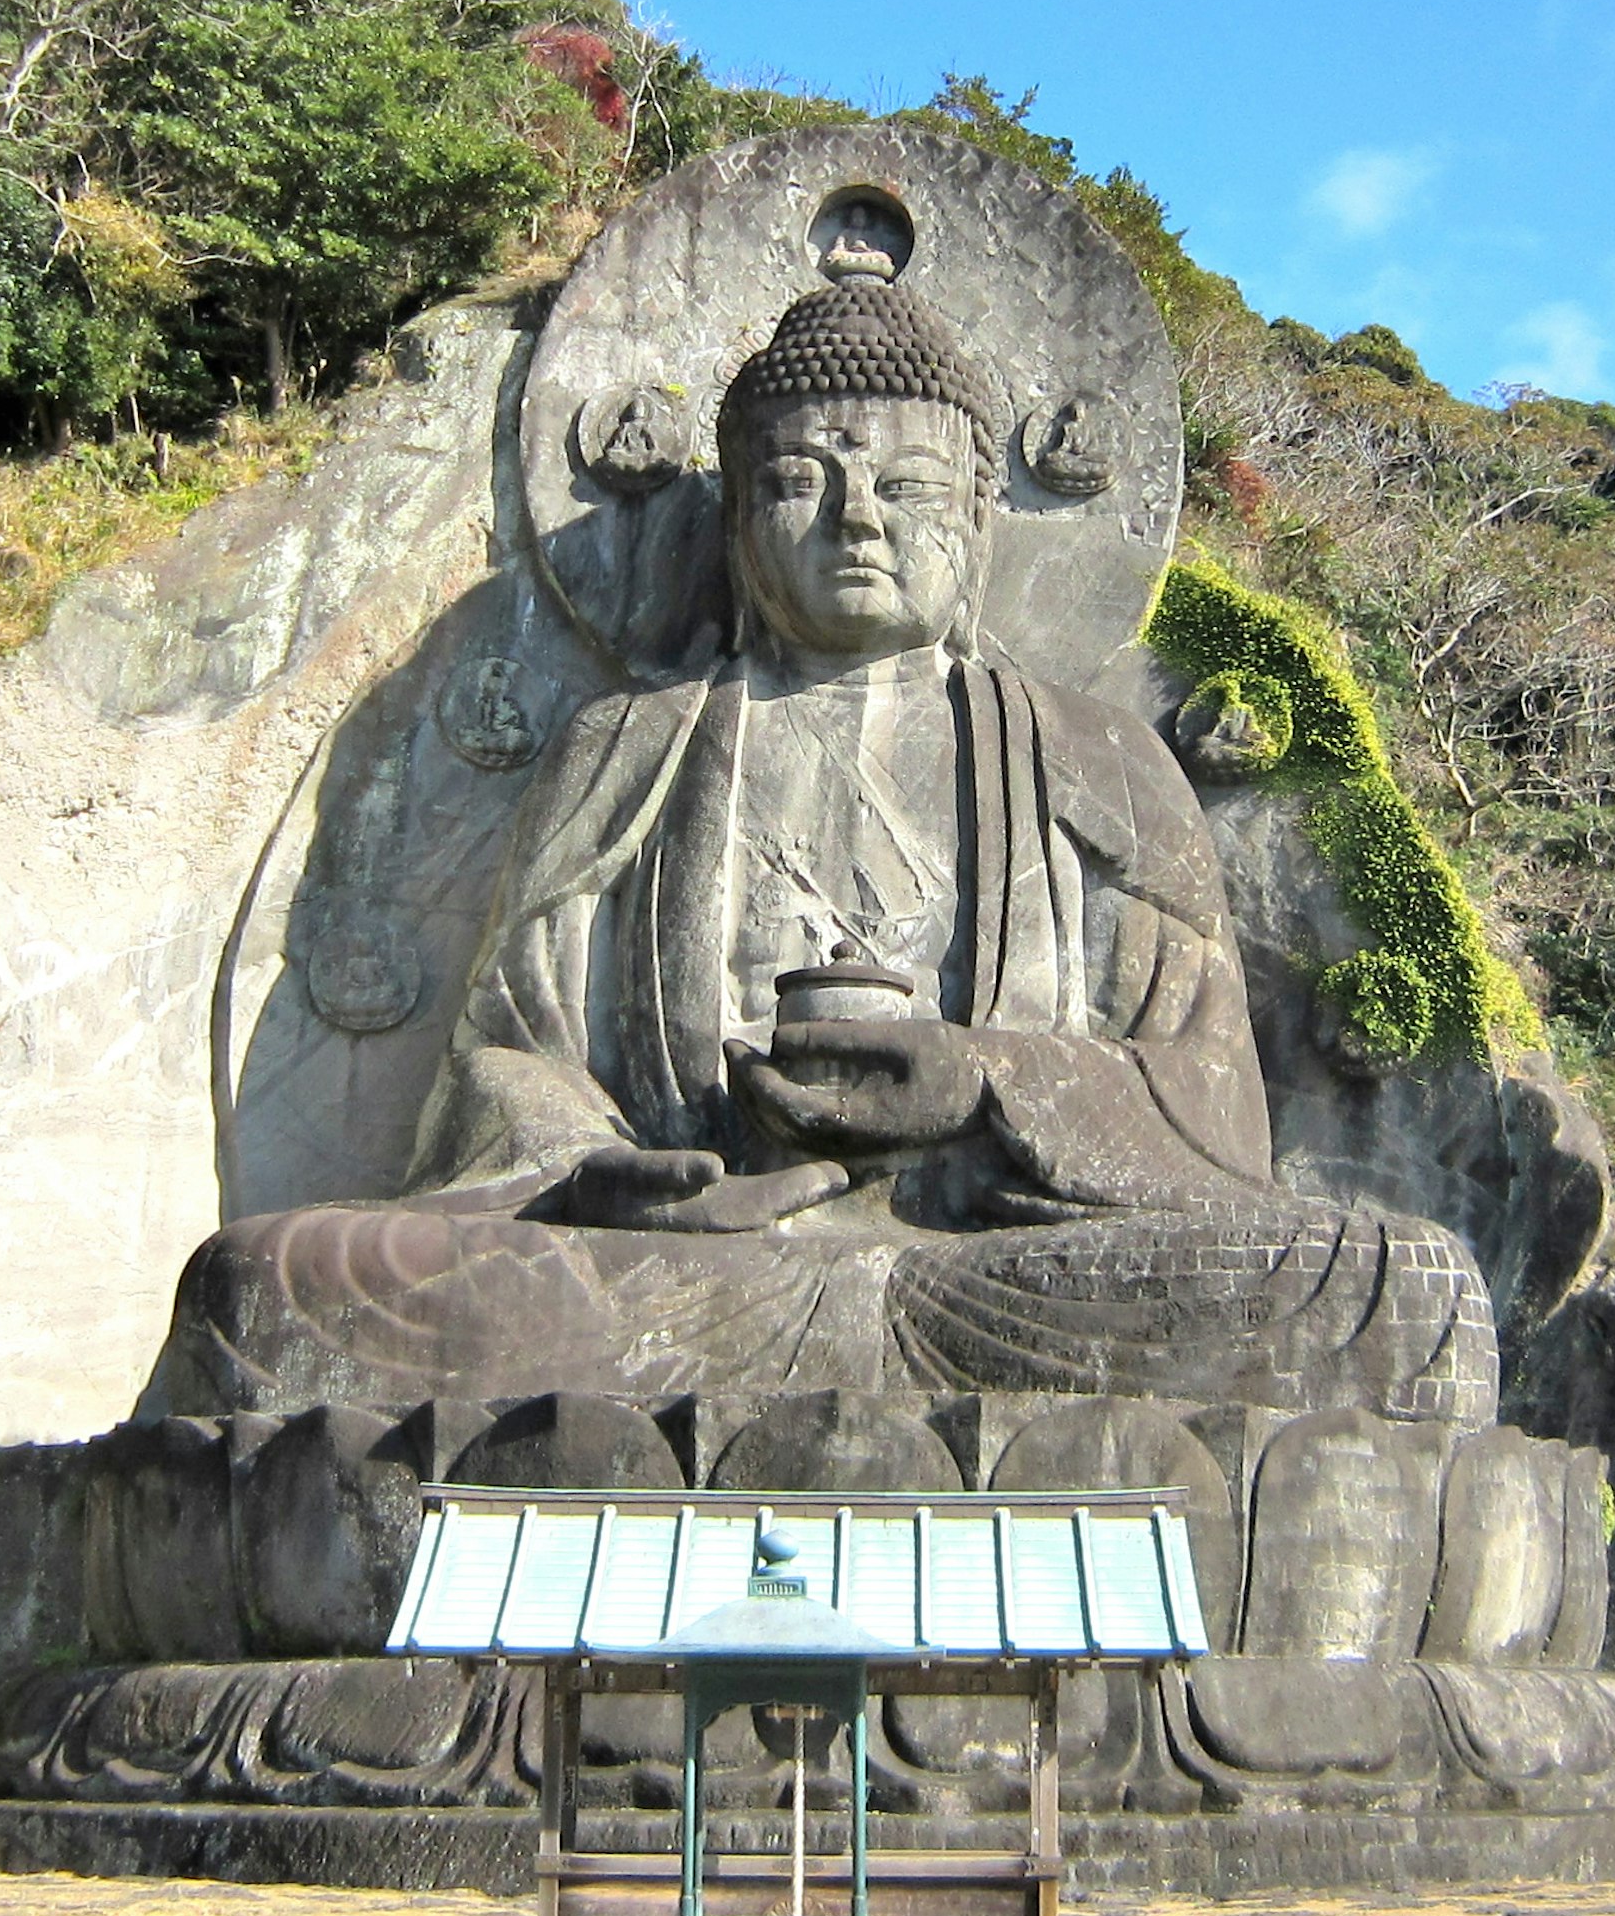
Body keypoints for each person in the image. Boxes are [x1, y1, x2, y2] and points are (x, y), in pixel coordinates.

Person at [165, 253, 1492, 1423]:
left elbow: (1209, 1106)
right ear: (741, 525)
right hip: (691, 1274)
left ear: (976, 524)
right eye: (803, 481)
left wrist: (985, 1084)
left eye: (908, 487)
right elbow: (516, 1058)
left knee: (1397, 1292)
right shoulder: (632, 742)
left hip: (1000, 1274)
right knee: (273, 1288)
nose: (858, 518)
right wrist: (614, 1176)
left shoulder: (1100, 757)